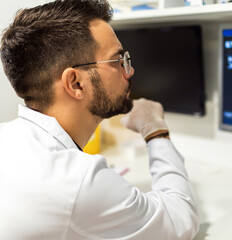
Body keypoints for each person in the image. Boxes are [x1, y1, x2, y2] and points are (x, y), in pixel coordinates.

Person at [0, 0, 199, 239]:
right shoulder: (78, 181)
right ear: (75, 83)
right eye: (117, 61)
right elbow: (179, 221)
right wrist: (155, 129)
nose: (129, 71)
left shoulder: (7, 137)